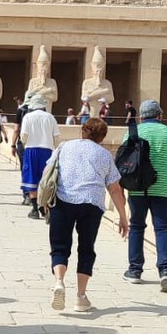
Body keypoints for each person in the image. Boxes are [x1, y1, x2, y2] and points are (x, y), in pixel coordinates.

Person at [49, 118, 129, 313]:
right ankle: (80, 297)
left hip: (64, 200)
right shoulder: (104, 155)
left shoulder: (64, 147)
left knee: (60, 246)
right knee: (86, 249)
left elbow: (49, 171)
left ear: (83, 131)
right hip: (92, 204)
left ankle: (59, 282)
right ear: (102, 137)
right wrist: (123, 217)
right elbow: (115, 188)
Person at [123, 98, 167, 293]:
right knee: (163, 228)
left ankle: (135, 270)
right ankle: (165, 270)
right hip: (164, 189)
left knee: (136, 226)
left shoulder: (133, 132)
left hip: (137, 187)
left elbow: (124, 162)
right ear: (160, 115)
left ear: (141, 117)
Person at [19, 95, 60, 218]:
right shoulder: (50, 117)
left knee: (32, 178)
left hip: (31, 150)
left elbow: (24, 136)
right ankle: (46, 207)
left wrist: (25, 145)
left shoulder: (28, 117)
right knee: (47, 179)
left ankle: (35, 209)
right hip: (47, 150)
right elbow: (56, 137)